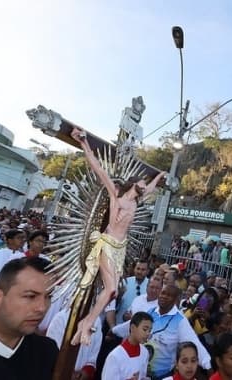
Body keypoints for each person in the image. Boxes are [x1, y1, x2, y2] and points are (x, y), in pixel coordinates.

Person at [70, 127, 167, 346]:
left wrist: (161, 175)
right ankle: (85, 324)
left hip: (119, 248)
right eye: (141, 184)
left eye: (145, 185)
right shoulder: (117, 196)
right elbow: (98, 169)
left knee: (112, 292)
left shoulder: (136, 202)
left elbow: (152, 188)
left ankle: (84, 324)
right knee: (111, 288)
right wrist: (84, 143)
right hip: (107, 244)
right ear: (133, 183)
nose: (144, 186)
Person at [46, 307, 103, 380]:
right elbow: (51, 355)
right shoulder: (60, 318)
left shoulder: (96, 321)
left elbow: (93, 357)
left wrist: (86, 371)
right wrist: (68, 372)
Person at [102, 311, 153, 380]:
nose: (147, 334)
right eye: (145, 329)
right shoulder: (115, 356)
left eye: (149, 331)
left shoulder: (145, 352)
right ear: (132, 328)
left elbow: (142, 376)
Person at [115, 259, 149, 324]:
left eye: (143, 270)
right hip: (119, 322)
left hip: (138, 326)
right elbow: (115, 304)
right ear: (134, 269)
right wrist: (119, 296)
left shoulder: (150, 286)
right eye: (138, 268)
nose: (139, 272)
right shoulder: (125, 282)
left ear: (147, 271)